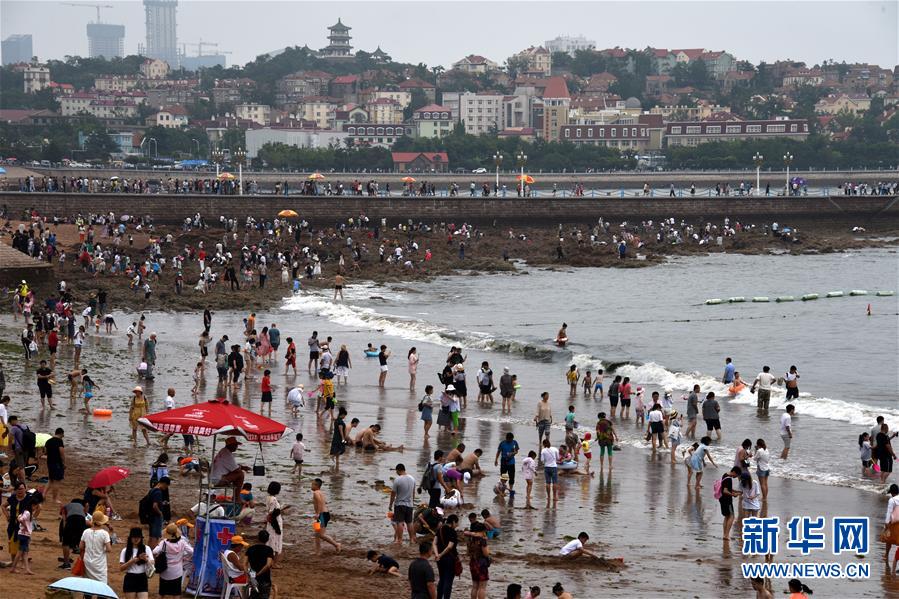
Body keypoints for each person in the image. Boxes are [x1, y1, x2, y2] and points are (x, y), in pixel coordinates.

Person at [119, 527, 154, 599]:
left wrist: (146, 559)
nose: (136, 539)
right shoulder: (125, 550)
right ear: (130, 538)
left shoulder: (146, 548)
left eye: (138, 537)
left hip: (142, 578)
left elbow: (152, 562)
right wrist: (132, 561)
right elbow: (121, 568)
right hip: (130, 578)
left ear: (141, 538)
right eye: (134, 537)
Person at [80, 511, 112, 587]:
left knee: (87, 584)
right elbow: (109, 549)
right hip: (99, 563)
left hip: (87, 561)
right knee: (102, 585)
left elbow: (81, 547)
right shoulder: (104, 533)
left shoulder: (86, 532)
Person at [311, 478, 341, 554]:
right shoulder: (320, 492)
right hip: (322, 514)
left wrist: (318, 513)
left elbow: (320, 502)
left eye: (312, 484)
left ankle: (336, 544)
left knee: (321, 535)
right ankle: (317, 551)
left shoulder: (316, 493)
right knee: (316, 534)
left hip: (322, 515)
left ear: (316, 485)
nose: (311, 486)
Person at [390, 463, 417, 545]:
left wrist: (390, 504)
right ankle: (412, 539)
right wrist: (412, 502)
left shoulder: (397, 480)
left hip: (400, 504)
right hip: (410, 505)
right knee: (409, 522)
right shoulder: (412, 479)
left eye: (396, 471)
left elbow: (393, 494)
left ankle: (400, 540)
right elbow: (413, 492)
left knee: (400, 522)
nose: (396, 473)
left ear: (398, 470)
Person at [433, 514, 459, 599]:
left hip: (439, 560)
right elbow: (450, 546)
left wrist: (437, 555)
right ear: (453, 522)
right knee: (448, 581)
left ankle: (439, 597)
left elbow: (434, 543)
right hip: (449, 559)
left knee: (442, 579)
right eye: (457, 523)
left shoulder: (439, 529)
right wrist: (441, 554)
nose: (457, 525)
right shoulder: (452, 531)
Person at [246, 529, 275, 599]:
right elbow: (268, 565)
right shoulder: (269, 550)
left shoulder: (250, 549)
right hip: (265, 578)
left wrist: (248, 573)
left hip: (253, 577)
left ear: (258, 538)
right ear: (267, 539)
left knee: (253, 596)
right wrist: (258, 574)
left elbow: (244, 564)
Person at [465, 522, 491, 599]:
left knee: (475, 586)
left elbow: (467, 552)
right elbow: (486, 554)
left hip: (473, 562)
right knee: (482, 587)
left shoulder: (470, 539)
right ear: (483, 531)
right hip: (481, 564)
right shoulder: (482, 540)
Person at [719, 467, 742, 541]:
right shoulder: (729, 479)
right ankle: (726, 535)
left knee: (726, 516)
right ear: (734, 472)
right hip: (727, 500)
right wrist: (733, 495)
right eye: (737, 475)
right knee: (732, 516)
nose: (736, 477)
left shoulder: (725, 475)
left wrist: (735, 491)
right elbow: (725, 491)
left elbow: (726, 488)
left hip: (722, 499)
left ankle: (725, 535)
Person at [44, 427, 65, 504]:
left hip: (49, 462)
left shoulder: (48, 441)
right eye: (63, 434)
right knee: (56, 481)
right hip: (57, 463)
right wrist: (64, 463)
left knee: (50, 480)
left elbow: (45, 451)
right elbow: (61, 452)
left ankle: (43, 495)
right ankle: (54, 499)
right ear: (61, 433)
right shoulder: (59, 441)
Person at [540, 438, 560, 508]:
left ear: (544, 444)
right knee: (555, 482)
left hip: (547, 467)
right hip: (554, 467)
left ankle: (548, 497)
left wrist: (546, 460)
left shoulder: (543, 450)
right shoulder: (555, 449)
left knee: (548, 483)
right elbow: (558, 458)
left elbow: (542, 460)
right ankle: (554, 496)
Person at [883, 484, 899, 564]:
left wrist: (886, 524)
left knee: (888, 539)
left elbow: (889, 512)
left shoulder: (892, 500)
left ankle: (886, 554)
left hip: (893, 523)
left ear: (892, 493)